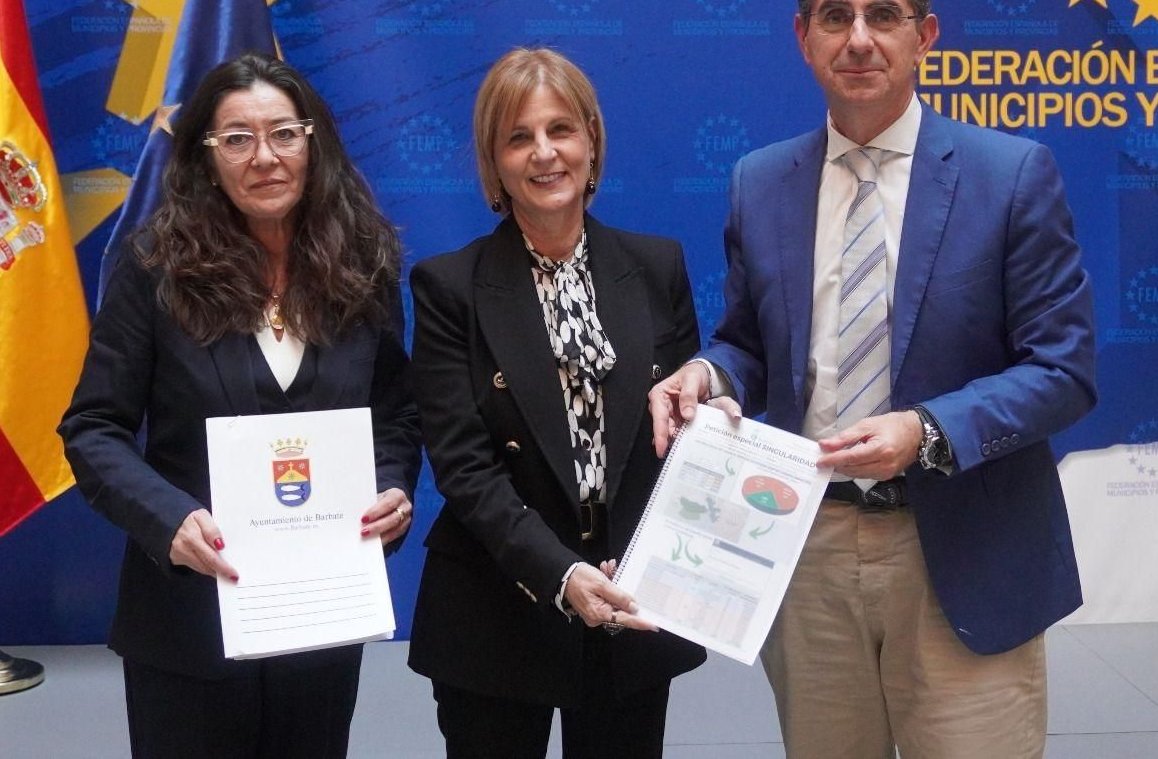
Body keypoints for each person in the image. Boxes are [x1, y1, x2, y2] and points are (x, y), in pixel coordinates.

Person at [649, 0, 1097, 758]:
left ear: (925, 35)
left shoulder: (1012, 175)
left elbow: (1063, 370)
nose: (858, 38)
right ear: (802, 37)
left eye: (883, 15)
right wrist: (709, 375)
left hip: (964, 554)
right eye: (835, 15)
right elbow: (750, 342)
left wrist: (924, 431)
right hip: (806, 551)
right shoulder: (760, 182)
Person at [59, 53, 422, 759]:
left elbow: (396, 416)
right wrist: (171, 522)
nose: (265, 157)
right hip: (188, 625)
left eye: (284, 134)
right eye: (237, 139)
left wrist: (393, 488)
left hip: (319, 621)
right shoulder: (152, 269)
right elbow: (93, 430)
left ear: (313, 144)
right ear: (206, 155)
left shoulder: (364, 263)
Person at [406, 47, 705, 758]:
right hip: (496, 611)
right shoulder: (450, 288)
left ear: (592, 142)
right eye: (518, 137)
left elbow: (682, 446)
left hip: (631, 608)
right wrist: (560, 572)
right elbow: (465, 470)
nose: (544, 153)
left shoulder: (656, 266)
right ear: (494, 161)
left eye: (561, 130)